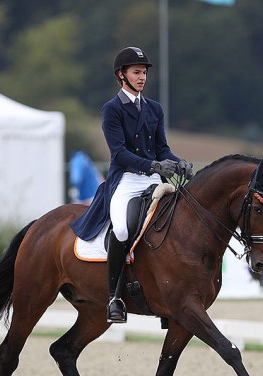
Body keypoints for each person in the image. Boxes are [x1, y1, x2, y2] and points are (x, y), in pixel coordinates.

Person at [72, 46, 192, 323]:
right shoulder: (112, 110)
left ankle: (167, 295)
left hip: (153, 178)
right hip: (126, 179)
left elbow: (162, 148)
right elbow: (119, 152)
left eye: (144, 73)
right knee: (124, 229)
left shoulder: (154, 109)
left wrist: (178, 162)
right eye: (136, 72)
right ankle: (114, 297)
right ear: (121, 75)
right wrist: (151, 165)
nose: (142, 78)